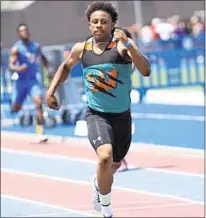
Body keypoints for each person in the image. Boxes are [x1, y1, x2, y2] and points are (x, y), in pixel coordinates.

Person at [46, 2, 151, 217]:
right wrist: (51, 90)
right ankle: (106, 209)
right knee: (104, 157)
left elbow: (146, 70)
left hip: (122, 116)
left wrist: (129, 45)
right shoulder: (81, 48)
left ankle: (98, 183)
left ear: (113, 24)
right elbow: (65, 67)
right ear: (89, 25)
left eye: (104, 22)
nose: (98, 26)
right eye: (94, 22)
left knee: (112, 165)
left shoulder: (121, 47)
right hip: (96, 114)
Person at [9, 23, 49, 143]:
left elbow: (43, 59)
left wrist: (49, 70)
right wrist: (18, 68)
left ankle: (40, 132)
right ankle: (18, 112)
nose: (24, 32)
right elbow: (11, 65)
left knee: (38, 103)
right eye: (21, 31)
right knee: (16, 108)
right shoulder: (16, 48)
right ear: (19, 34)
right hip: (20, 82)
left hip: (33, 81)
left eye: (26, 30)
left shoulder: (36, 46)